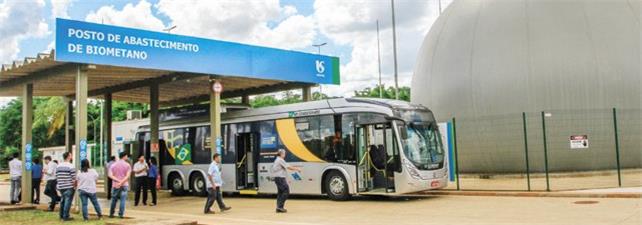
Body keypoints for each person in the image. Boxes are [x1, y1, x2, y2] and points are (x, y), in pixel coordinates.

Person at [271, 149, 302, 213]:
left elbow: (287, 166)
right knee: (286, 191)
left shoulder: (277, 160)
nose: (285, 155)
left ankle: (278, 207)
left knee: (280, 193)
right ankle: (280, 207)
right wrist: (297, 169)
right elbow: (288, 167)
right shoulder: (280, 160)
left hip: (277, 178)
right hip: (280, 178)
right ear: (281, 154)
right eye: (284, 153)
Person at [109, 152, 132, 219]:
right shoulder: (127, 165)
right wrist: (121, 182)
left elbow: (110, 175)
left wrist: (118, 181)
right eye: (126, 156)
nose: (127, 157)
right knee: (123, 200)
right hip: (124, 185)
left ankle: (111, 213)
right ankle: (121, 214)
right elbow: (128, 176)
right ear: (124, 156)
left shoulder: (113, 165)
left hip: (115, 185)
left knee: (114, 200)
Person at [56, 152, 76, 221]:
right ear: (68, 157)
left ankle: (61, 216)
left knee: (63, 201)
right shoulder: (71, 166)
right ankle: (65, 216)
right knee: (68, 202)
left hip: (61, 186)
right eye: (71, 155)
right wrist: (74, 186)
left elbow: (57, 176)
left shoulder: (58, 166)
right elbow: (73, 177)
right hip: (69, 186)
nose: (71, 156)